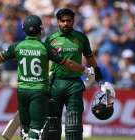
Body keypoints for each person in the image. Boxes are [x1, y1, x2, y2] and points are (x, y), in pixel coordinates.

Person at [0, 15, 94, 140]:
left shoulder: (17, 46)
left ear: (24, 30)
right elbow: (69, 63)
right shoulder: (45, 48)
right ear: (40, 30)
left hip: (22, 91)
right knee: (35, 129)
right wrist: (85, 70)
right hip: (38, 92)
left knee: (25, 130)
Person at [44, 8, 106, 140]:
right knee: (52, 124)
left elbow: (90, 57)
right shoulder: (51, 39)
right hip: (55, 83)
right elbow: (44, 62)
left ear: (73, 21)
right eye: (63, 21)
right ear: (58, 22)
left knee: (74, 124)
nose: (66, 23)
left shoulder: (81, 37)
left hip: (74, 84)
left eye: (69, 21)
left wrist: (98, 74)